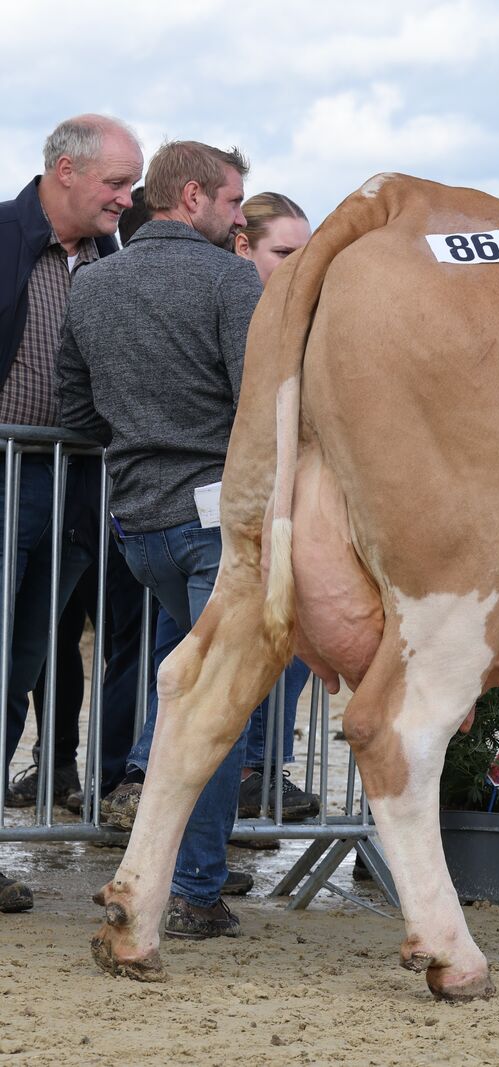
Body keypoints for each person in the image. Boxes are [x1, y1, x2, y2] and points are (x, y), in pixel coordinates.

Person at [57, 139, 260, 938]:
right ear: (192, 197)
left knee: (185, 693)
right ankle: (195, 887)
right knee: (217, 706)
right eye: (233, 201)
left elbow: (77, 410)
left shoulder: (94, 282)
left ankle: (170, 858)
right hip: (214, 524)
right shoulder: (229, 279)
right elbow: (255, 402)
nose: (240, 219)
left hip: (139, 524)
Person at [0, 114, 142, 912]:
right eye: (116, 183)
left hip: (74, 488)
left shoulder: (110, 262)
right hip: (5, 474)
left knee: (19, 667)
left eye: (133, 185)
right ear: (65, 171)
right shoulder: (2, 236)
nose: (127, 199)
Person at [231, 192, 318, 824]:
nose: (297, 268)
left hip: (278, 505)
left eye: (304, 255)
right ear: (244, 247)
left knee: (290, 632)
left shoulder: (298, 318)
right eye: (284, 253)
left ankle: (262, 769)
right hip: (228, 505)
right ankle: (248, 772)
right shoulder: (238, 309)